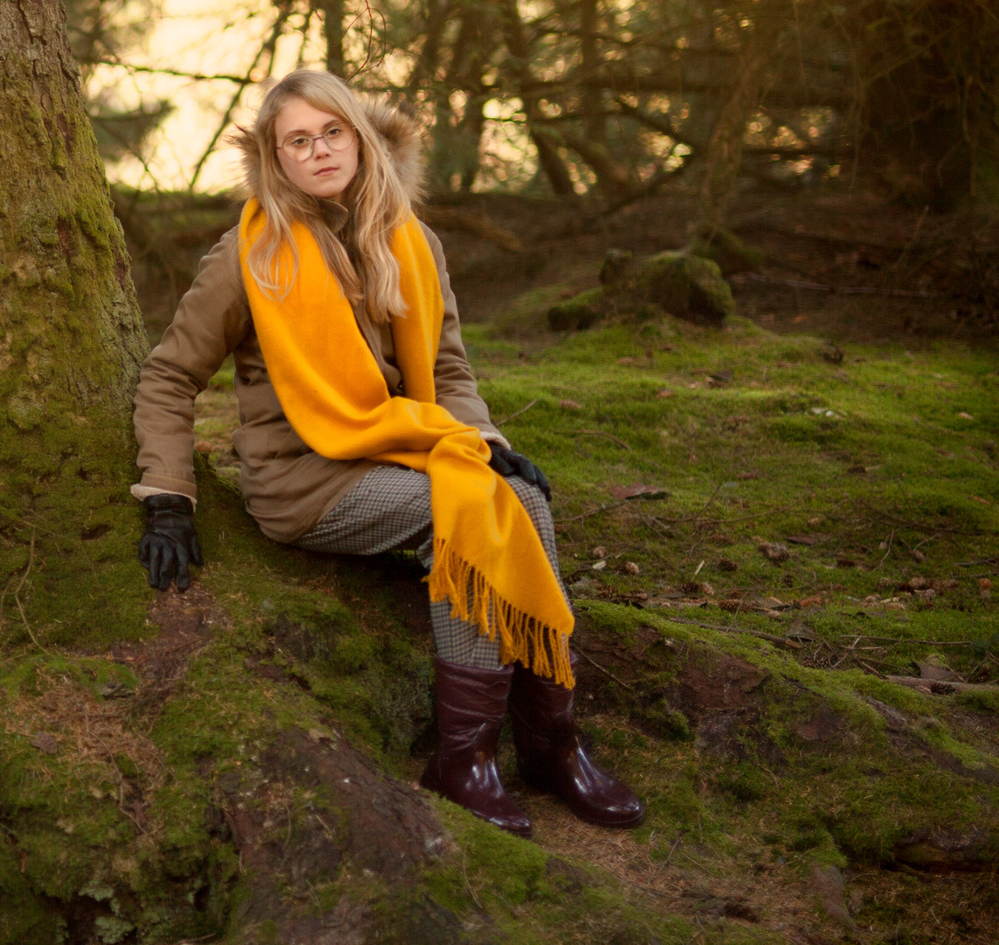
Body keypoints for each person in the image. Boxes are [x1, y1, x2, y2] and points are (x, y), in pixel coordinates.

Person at [129, 69, 642, 837]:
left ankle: (551, 742)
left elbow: (451, 369)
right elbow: (169, 375)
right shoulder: (248, 256)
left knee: (524, 498)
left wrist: (485, 442)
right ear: (275, 158)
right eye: (298, 140)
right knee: (462, 508)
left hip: (403, 448)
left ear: (360, 136)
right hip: (305, 479)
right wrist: (169, 495)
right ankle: (465, 757)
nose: (319, 150)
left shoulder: (412, 241)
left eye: (332, 131)